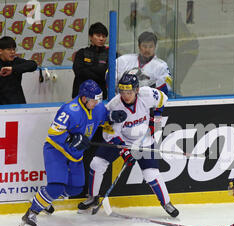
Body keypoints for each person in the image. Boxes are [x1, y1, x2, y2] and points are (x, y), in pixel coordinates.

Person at [19, 80, 127, 226]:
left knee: (75, 188)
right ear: (84, 98)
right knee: (56, 187)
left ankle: (45, 197)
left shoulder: (97, 107)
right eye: (94, 100)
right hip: (57, 151)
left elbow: (103, 118)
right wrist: (70, 139)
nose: (97, 103)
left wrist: (113, 116)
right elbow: (54, 133)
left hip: (76, 154)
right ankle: (31, 213)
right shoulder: (69, 110)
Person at [77, 70, 179, 218]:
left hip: (144, 139)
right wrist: (124, 151)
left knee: (151, 174)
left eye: (129, 92)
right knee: (96, 163)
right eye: (122, 91)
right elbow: (109, 133)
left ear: (137, 90)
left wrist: (155, 119)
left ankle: (166, 203)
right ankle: (93, 197)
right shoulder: (114, 105)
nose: (126, 95)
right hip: (122, 140)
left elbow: (163, 99)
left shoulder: (147, 94)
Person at [0, 36, 37, 106]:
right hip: (1, 107)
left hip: (20, 106)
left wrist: (13, 69)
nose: (13, 52)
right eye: (9, 49)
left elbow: (33, 65)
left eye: (14, 49)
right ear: (0, 51)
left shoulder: (17, 61)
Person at [116, 31, 172, 95]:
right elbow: (110, 77)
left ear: (155, 47)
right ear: (139, 46)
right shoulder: (124, 60)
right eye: (144, 46)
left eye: (150, 46)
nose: (147, 50)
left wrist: (146, 87)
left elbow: (166, 88)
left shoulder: (162, 66)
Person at [72, 22, 113, 99]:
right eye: (98, 36)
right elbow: (79, 72)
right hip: (80, 96)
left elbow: (108, 74)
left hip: (100, 96)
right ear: (90, 37)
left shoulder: (110, 54)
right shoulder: (81, 53)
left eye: (104, 36)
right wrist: (99, 71)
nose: (101, 39)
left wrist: (89, 70)